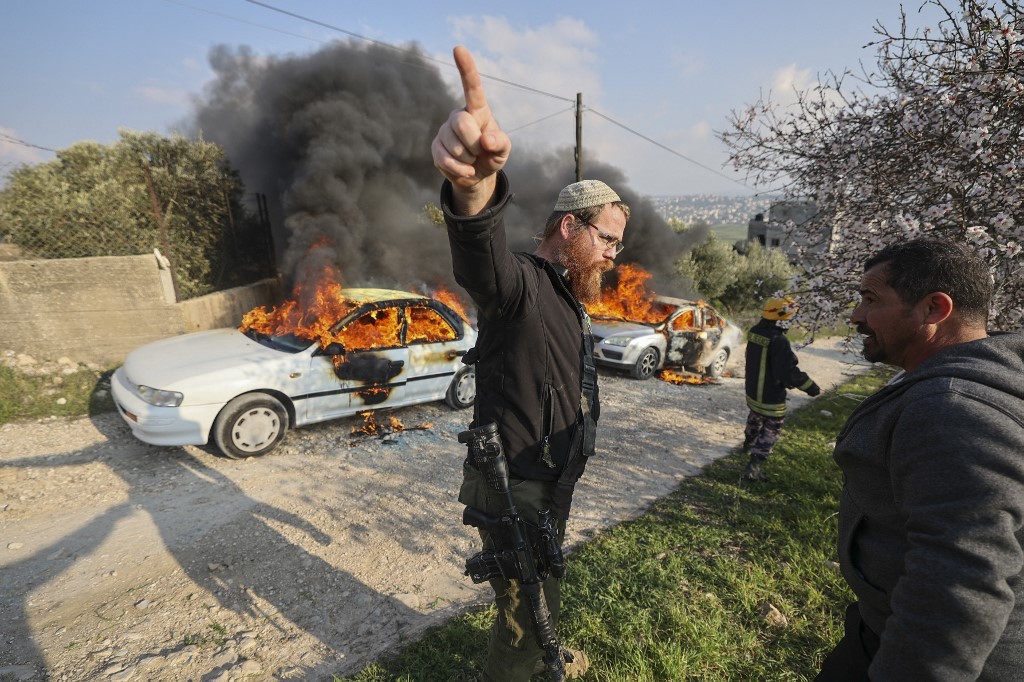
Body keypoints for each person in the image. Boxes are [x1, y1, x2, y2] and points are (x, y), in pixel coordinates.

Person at [431, 45, 630, 680]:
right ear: (569, 227)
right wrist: (474, 186)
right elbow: (481, 258)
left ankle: (544, 659)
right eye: (606, 239)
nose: (612, 256)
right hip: (512, 480)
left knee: (542, 583)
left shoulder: (570, 298)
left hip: (548, 477)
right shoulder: (522, 285)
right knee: (523, 608)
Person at [817, 237, 1024, 680]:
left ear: (934, 309)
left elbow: (960, 588)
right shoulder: (963, 380)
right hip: (881, 628)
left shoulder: (952, 409)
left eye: (871, 299)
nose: (856, 316)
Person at [741, 296, 820, 481]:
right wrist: (810, 387)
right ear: (781, 318)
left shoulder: (754, 332)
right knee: (771, 429)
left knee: (755, 417)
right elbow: (787, 372)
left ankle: (747, 443)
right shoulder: (779, 341)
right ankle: (754, 467)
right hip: (771, 397)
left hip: (753, 392)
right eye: (790, 318)